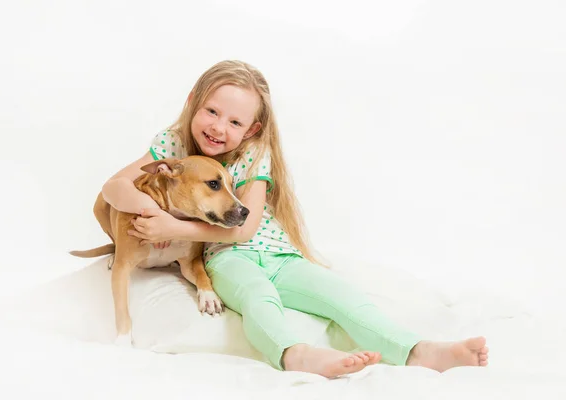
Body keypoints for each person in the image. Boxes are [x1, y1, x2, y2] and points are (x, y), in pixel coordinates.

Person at [102, 60, 489, 378]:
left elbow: (247, 226)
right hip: (224, 256)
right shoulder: (172, 146)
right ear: (192, 103)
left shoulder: (254, 153)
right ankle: (297, 356)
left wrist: (174, 228)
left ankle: (419, 351)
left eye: (235, 122)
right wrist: (151, 211)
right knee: (257, 296)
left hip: (278, 252)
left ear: (251, 129)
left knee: (345, 296)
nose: (220, 127)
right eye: (212, 111)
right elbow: (114, 187)